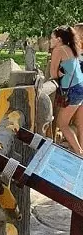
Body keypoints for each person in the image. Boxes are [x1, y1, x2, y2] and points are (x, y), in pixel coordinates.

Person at [49, 25, 83, 155]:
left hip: (73, 90)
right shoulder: (70, 48)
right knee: (78, 123)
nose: (50, 40)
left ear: (58, 39)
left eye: (52, 38)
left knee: (62, 124)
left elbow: (53, 74)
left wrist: (59, 72)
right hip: (79, 87)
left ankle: (79, 153)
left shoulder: (58, 50)